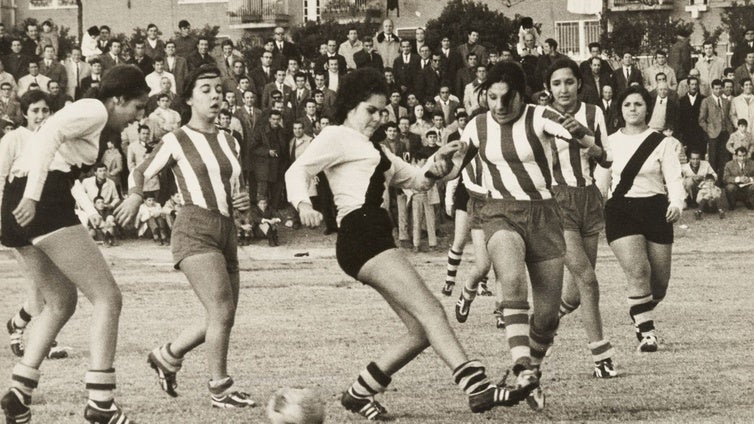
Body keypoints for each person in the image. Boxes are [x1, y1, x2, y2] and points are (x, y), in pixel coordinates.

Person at [285, 67, 533, 420]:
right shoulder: (336, 135)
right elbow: (296, 170)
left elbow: (418, 180)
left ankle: (359, 393)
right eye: (370, 110)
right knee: (432, 311)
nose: (378, 117)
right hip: (361, 232)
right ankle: (475, 385)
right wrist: (303, 204)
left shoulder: (376, 149)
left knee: (420, 330)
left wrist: (443, 161)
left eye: (383, 111)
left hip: (372, 235)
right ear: (351, 107)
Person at [0, 65, 148, 424]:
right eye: (137, 107)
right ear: (117, 99)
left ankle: (19, 393)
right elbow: (47, 134)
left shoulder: (93, 115)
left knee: (61, 303)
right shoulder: (94, 108)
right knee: (108, 297)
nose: (138, 117)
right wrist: (34, 197)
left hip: (21, 202)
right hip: (40, 200)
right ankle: (100, 402)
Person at [454, 61, 598, 409]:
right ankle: (521, 364)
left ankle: (530, 370)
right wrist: (435, 170)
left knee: (547, 317)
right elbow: (455, 163)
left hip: (546, 215)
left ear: (522, 95)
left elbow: (583, 138)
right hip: (500, 211)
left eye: (507, 98)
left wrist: (583, 135)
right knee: (511, 276)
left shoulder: (540, 116)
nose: (500, 106)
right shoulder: (477, 125)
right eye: (492, 97)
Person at [115, 64, 255, 408]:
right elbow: (141, 169)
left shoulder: (230, 139)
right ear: (189, 98)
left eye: (218, 89)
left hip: (227, 230)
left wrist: (244, 202)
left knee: (224, 313)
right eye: (205, 89)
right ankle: (220, 388)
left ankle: (167, 355)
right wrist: (135, 195)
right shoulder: (176, 139)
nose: (215, 95)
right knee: (221, 310)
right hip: (194, 229)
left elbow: (237, 189)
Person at [603, 85, 683, 354]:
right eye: (627, 105)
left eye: (638, 104)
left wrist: (676, 203)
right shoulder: (610, 142)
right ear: (620, 110)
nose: (633, 109)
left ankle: (640, 310)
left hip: (656, 209)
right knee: (639, 271)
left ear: (647, 108)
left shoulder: (662, 142)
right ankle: (647, 334)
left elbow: (673, 177)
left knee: (659, 284)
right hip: (620, 210)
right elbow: (601, 182)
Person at [1, 92, 72, 366]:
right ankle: (43, 342)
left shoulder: (54, 139)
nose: (41, 116)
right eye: (35, 111)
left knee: (44, 284)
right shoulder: (14, 138)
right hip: (18, 220)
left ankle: (17, 325)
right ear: (25, 113)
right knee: (42, 283)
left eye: (45, 110)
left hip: (47, 221)